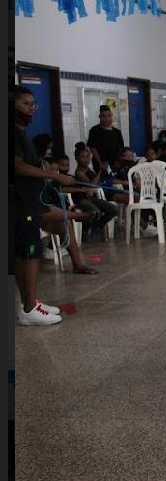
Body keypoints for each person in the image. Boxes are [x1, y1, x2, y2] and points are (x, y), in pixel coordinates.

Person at [12, 86, 76, 325]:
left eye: (33, 104)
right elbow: (17, 166)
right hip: (21, 203)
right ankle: (29, 309)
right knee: (30, 253)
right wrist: (56, 177)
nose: (31, 109)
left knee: (23, 253)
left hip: (28, 202)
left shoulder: (21, 132)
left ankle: (28, 301)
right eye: (25, 104)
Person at [40, 157, 98, 274]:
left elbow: (56, 203)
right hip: (33, 218)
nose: (54, 173)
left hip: (49, 218)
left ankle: (78, 265)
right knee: (58, 215)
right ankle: (77, 215)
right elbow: (42, 209)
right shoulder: (34, 187)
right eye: (50, 170)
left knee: (65, 224)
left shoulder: (50, 186)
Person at [72, 143, 120, 241]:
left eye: (88, 156)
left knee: (114, 209)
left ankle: (96, 227)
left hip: (91, 198)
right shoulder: (79, 172)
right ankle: (85, 232)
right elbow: (92, 184)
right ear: (77, 159)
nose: (86, 159)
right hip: (81, 198)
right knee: (95, 212)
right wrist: (99, 172)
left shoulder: (89, 170)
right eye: (83, 157)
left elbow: (97, 184)